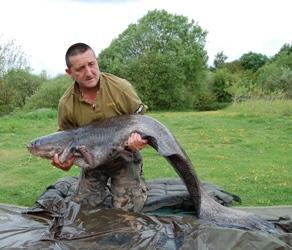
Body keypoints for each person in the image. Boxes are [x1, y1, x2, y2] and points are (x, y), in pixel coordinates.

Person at [51, 42, 148, 213]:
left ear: (96, 61)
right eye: (80, 69)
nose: (88, 73)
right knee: (82, 210)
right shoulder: (66, 104)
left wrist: (138, 139)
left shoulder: (121, 88)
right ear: (69, 73)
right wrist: (65, 162)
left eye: (91, 64)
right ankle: (102, 187)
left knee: (125, 212)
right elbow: (64, 140)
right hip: (92, 161)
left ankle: (138, 185)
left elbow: (142, 122)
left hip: (124, 156)